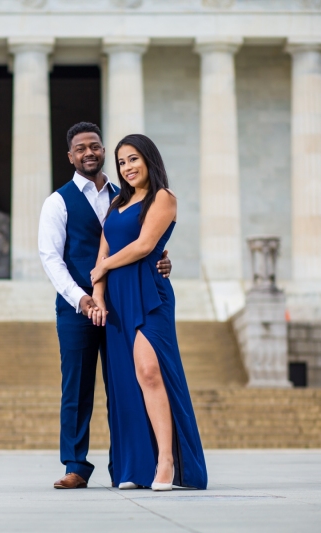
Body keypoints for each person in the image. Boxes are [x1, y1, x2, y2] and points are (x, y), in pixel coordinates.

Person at [38, 123, 172, 489]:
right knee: (77, 387)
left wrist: (163, 260)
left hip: (124, 304)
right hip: (77, 306)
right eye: (81, 148)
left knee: (126, 384)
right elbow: (51, 258)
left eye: (95, 146)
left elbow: (143, 240)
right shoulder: (58, 201)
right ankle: (76, 465)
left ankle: (126, 467)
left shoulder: (123, 196)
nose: (89, 153)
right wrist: (81, 298)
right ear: (71, 156)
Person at [89, 134, 207, 491]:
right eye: (122, 162)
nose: (127, 168)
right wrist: (98, 292)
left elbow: (144, 246)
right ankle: (138, 467)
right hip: (118, 299)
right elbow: (101, 254)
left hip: (149, 294)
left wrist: (103, 267)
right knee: (128, 380)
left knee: (149, 369)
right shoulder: (115, 205)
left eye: (134, 159)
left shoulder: (163, 198)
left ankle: (167, 462)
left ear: (149, 160)